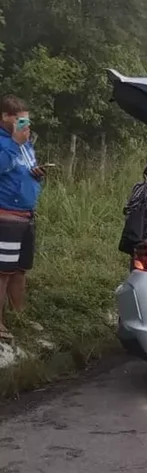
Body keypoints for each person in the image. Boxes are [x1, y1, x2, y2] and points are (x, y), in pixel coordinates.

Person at [0, 95, 46, 340]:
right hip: (5, 215)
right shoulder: (6, 142)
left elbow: (24, 171)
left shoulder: (26, 144)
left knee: (19, 270)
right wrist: (15, 144)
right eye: (19, 121)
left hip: (26, 214)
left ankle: (19, 315)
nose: (24, 127)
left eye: (26, 122)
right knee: (2, 272)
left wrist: (36, 175)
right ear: (5, 117)